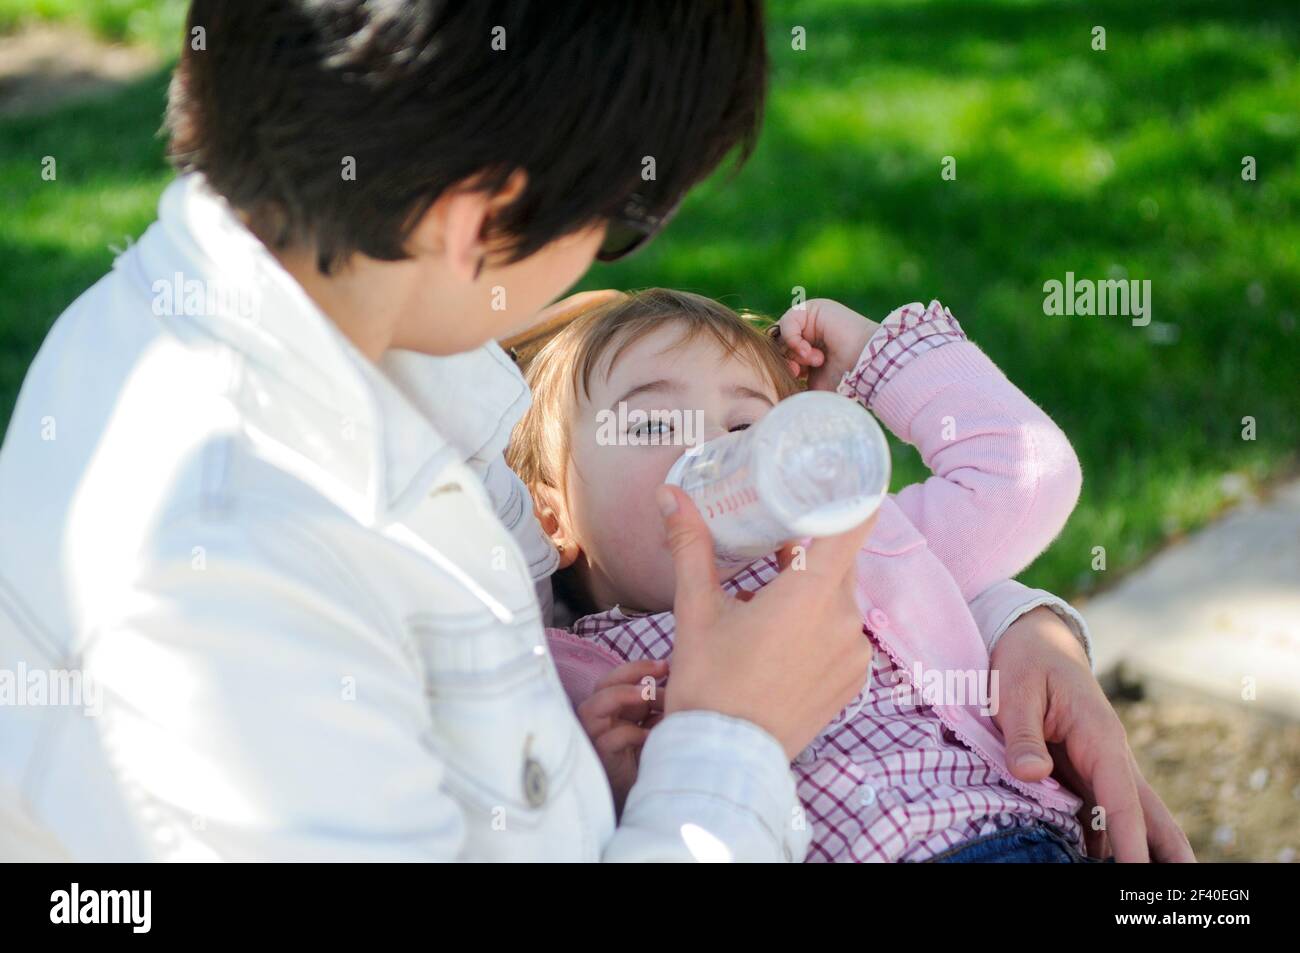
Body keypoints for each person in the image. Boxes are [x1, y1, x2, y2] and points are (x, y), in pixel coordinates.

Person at [0, 1, 1191, 861]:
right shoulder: (223, 583)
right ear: (478, 220)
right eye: (620, 220)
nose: (603, 270)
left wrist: (1020, 630)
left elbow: (875, 562)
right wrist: (729, 738)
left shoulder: (391, 347)